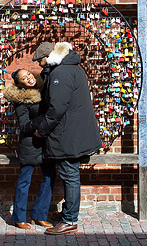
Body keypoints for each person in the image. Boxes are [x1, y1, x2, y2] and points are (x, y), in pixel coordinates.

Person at [33, 41, 101, 235]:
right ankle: (67, 213)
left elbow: (57, 108)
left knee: (70, 175)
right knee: (70, 175)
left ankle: (70, 220)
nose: (40, 66)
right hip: (74, 132)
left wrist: (42, 130)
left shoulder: (60, 73)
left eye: (40, 61)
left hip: (67, 134)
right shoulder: (73, 68)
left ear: (48, 57)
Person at [3, 68, 55, 229]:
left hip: (46, 142)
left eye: (29, 75)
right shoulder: (21, 100)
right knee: (25, 180)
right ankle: (18, 217)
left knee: (50, 177)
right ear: (20, 84)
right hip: (30, 144)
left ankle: (40, 215)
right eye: (24, 78)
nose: (29, 78)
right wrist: (45, 117)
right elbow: (24, 126)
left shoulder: (43, 89)